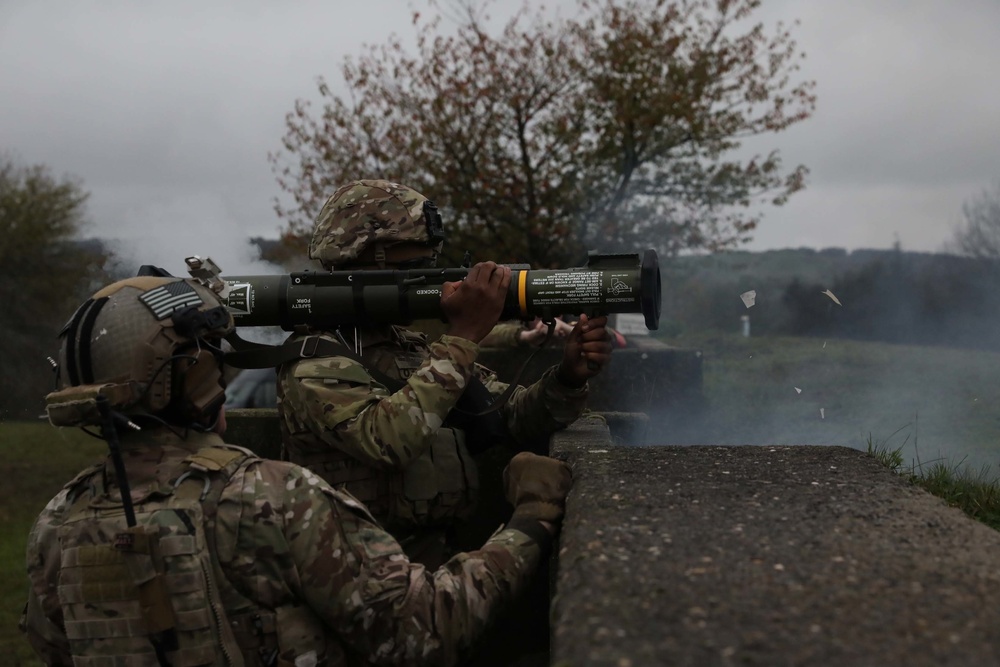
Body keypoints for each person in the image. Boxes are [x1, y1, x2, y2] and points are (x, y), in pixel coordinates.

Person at [21, 275, 573, 667]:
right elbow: (426, 631)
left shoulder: (55, 524)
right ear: (196, 376)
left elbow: (54, 646)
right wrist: (532, 519)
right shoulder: (272, 498)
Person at [276, 179, 612, 567]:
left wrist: (568, 377)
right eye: (415, 268)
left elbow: (509, 413)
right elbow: (388, 440)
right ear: (363, 262)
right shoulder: (314, 362)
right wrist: (465, 334)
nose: (433, 282)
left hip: (430, 569)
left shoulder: (410, 347)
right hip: (355, 582)